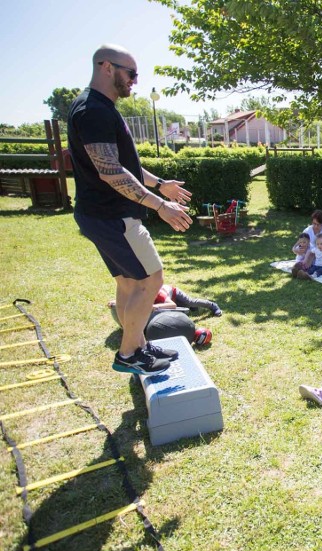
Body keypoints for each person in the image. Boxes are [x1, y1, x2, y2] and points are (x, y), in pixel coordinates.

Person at [69, 44, 193, 375]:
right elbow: (110, 171)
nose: (134, 81)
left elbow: (125, 165)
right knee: (150, 281)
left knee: (128, 283)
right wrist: (160, 205)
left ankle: (137, 345)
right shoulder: (93, 111)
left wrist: (159, 183)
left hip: (102, 215)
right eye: (131, 73)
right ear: (106, 67)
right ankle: (128, 354)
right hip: (114, 216)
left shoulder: (99, 107)